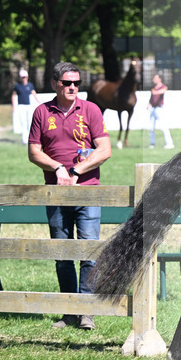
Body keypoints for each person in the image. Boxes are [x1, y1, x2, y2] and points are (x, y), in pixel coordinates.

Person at [28, 62, 111, 330]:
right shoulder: (42, 112)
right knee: (62, 255)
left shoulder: (91, 110)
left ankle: (87, 311)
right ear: (55, 84)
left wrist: (77, 170)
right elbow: (34, 151)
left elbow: (105, 150)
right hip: (55, 192)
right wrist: (58, 167)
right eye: (67, 83)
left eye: (77, 83)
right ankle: (69, 312)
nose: (73, 87)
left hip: (88, 192)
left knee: (89, 252)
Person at [147, 74, 175, 149]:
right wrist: (149, 104)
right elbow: (151, 97)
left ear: (160, 79)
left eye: (156, 78)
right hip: (153, 108)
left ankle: (169, 143)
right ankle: (152, 143)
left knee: (163, 126)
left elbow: (164, 90)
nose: (154, 79)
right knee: (151, 127)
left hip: (159, 109)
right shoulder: (153, 88)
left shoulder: (162, 87)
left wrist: (155, 92)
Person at [12, 69, 38, 143]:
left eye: (25, 77)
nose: (24, 78)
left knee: (29, 122)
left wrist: (38, 102)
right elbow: (13, 95)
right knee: (23, 122)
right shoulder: (18, 86)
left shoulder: (30, 85)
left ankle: (31, 138)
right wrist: (14, 106)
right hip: (21, 106)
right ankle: (24, 140)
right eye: (23, 77)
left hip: (28, 106)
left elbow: (34, 93)